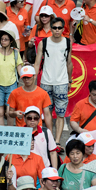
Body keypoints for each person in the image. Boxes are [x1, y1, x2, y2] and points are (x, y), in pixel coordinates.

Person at [35, 18, 72, 147]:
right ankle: (49, 139)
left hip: (61, 83)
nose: (57, 30)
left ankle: (56, 141)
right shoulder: (43, 43)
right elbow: (37, 62)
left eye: (59, 28)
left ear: (63, 29)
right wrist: (34, 82)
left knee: (61, 115)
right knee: (47, 113)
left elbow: (69, 63)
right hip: (46, 82)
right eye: (54, 27)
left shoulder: (67, 42)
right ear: (50, 28)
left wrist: (69, 80)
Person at [0, 30, 23, 127]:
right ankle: (1, 134)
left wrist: (25, 81)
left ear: (11, 41)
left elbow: (19, 69)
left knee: (9, 113)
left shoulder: (15, 53)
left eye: (6, 39)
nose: (3, 41)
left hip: (12, 85)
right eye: (2, 39)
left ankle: (9, 132)